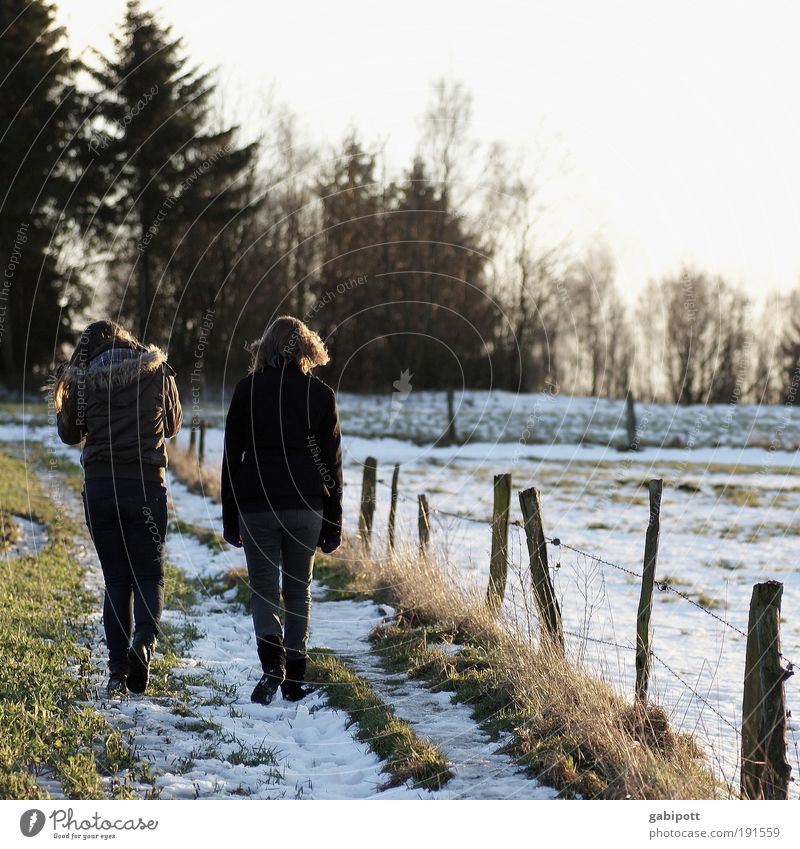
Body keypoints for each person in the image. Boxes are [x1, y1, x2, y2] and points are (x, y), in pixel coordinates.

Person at [53, 320, 182, 697]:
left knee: (115, 581)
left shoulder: (84, 379)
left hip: (101, 491)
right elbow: (173, 425)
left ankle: (116, 672)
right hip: (146, 487)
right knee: (149, 575)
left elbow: (69, 435)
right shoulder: (157, 372)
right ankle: (144, 640)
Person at [222, 315, 343, 705]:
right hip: (305, 505)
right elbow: (332, 465)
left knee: (262, 589)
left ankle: (272, 663)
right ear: (305, 348)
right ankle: (294, 678)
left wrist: (229, 515)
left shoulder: (246, 391)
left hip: (256, 504)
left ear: (266, 348)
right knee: (298, 590)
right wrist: (333, 520)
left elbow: (231, 459)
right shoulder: (321, 397)